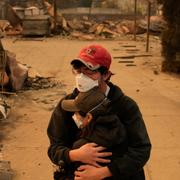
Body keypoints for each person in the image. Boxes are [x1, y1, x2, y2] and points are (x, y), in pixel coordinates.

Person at [47, 44, 151, 180]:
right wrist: (75, 155)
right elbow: (54, 147)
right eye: (79, 71)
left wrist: (104, 172)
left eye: (90, 72)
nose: (82, 77)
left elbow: (141, 150)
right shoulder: (67, 105)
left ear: (106, 74)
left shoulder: (125, 106)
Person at [60, 86, 127, 179]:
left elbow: (80, 177)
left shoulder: (84, 147)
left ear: (89, 117)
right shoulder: (121, 129)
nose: (74, 115)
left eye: (76, 112)